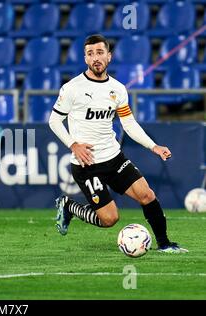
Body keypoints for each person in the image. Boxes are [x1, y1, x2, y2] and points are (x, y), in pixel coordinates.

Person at [49, 34, 188, 253]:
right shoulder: (72, 89)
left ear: (109, 56)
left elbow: (129, 123)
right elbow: (54, 120)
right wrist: (73, 144)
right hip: (87, 166)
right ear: (85, 59)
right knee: (110, 219)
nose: (95, 58)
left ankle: (164, 244)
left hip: (114, 159)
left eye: (100, 52)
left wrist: (154, 146)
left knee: (147, 195)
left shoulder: (118, 89)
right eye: (90, 53)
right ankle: (69, 206)